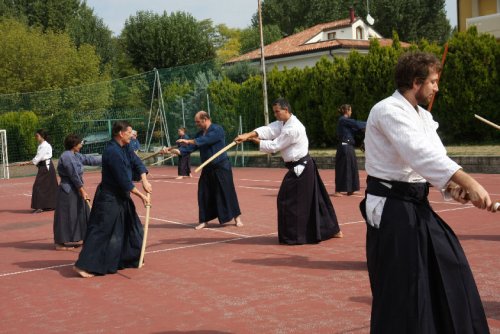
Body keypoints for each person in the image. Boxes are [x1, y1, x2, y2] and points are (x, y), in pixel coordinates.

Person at [360, 51, 495, 333]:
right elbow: (417, 153)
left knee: (450, 262)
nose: (437, 87)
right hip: (391, 206)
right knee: (406, 284)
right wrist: (468, 181)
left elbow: (435, 154)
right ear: (415, 82)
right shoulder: (387, 110)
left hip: (414, 203)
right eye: (433, 81)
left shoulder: (422, 116)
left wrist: (453, 186)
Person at [235, 98, 342, 245]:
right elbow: (269, 130)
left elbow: (274, 146)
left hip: (302, 168)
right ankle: (332, 230)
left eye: (277, 111)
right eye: (274, 112)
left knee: (287, 200)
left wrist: (252, 140)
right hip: (301, 167)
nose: (275, 115)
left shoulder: (293, 128)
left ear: (286, 110)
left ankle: (295, 236)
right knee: (317, 199)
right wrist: (248, 134)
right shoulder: (284, 123)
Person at [73, 121, 152, 278]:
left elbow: (136, 162)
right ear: (121, 134)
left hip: (122, 196)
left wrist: (144, 180)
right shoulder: (112, 152)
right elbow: (123, 180)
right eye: (129, 132)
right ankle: (83, 266)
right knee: (102, 230)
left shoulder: (126, 146)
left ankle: (128, 258)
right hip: (109, 198)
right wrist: (142, 195)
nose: (132, 135)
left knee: (131, 226)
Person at [173, 111, 242, 230]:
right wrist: (178, 151)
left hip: (221, 166)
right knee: (203, 193)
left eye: (198, 122)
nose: (197, 124)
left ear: (205, 119)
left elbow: (206, 140)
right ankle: (204, 220)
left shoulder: (217, 129)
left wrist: (189, 141)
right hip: (207, 168)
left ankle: (237, 217)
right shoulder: (199, 133)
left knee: (227, 191)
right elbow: (192, 147)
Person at [53, 134, 102, 251]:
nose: (81, 145)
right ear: (74, 144)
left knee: (81, 214)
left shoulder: (76, 155)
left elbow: (90, 159)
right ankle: (60, 243)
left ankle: (84, 237)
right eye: (80, 143)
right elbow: (73, 174)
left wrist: (110, 157)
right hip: (68, 190)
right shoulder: (67, 156)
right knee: (65, 217)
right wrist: (82, 189)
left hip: (76, 189)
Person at [21, 129, 58, 213]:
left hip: (46, 167)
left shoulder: (45, 146)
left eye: (37, 136)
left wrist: (27, 163)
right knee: (47, 186)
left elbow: (38, 158)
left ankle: (40, 207)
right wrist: (27, 163)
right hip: (44, 166)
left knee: (39, 186)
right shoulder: (41, 145)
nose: (36, 137)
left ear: (42, 136)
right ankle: (49, 205)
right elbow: (38, 158)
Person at [333, 104, 366, 197]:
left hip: (350, 147)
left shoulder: (346, 123)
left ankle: (351, 189)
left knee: (352, 167)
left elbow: (356, 129)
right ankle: (338, 190)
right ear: (347, 111)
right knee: (342, 168)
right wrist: (370, 123)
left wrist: (365, 129)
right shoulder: (343, 120)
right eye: (350, 110)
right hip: (344, 147)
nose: (351, 112)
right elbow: (355, 123)